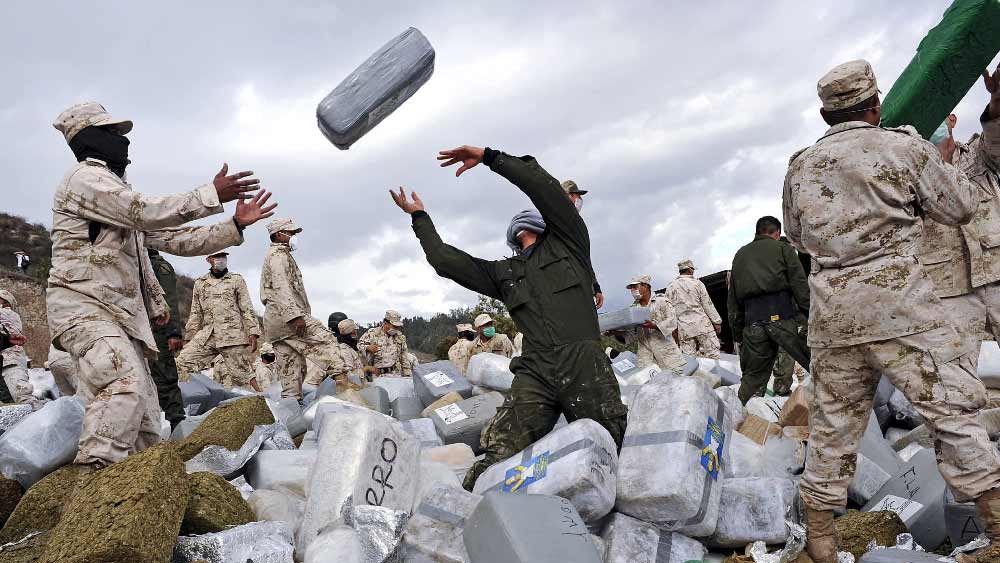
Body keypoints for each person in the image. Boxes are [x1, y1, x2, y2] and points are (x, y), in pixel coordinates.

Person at [783, 60, 1000, 563]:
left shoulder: (801, 166)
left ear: (824, 114)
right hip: (901, 307)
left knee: (833, 424)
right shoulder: (902, 146)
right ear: (876, 104)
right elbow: (960, 207)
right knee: (950, 410)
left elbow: (797, 237)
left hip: (833, 314)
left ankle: (821, 543)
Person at [48, 101, 274, 469]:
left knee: (148, 426)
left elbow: (178, 240)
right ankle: (87, 485)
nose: (123, 142)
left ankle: (136, 499)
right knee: (123, 385)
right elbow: (144, 210)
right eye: (113, 133)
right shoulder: (85, 180)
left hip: (122, 320)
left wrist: (236, 227)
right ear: (90, 138)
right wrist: (209, 195)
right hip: (84, 308)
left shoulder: (115, 193)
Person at [390, 144, 627, 490]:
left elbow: (541, 187)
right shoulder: (506, 273)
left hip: (584, 365)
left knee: (610, 448)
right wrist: (419, 218)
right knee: (498, 454)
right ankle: (469, 515)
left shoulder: (569, 243)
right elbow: (446, 261)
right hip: (536, 372)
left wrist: (489, 157)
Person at [917, 64, 1000, 369]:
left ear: (952, 120)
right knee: (957, 376)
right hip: (948, 287)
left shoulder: (979, 153)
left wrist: (996, 102)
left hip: (996, 271)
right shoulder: (911, 172)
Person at [727, 216, 811, 404]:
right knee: (815, 362)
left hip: (753, 324)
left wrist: (737, 333)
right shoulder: (783, 249)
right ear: (777, 233)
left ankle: (737, 416)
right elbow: (800, 286)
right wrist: (811, 315)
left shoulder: (740, 255)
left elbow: (732, 301)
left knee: (753, 377)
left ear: (757, 232)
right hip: (782, 319)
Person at [261, 218, 340, 401]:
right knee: (327, 341)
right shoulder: (279, 256)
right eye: (291, 233)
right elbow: (281, 287)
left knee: (291, 368)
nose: (294, 237)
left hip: (275, 324)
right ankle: (345, 383)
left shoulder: (277, 255)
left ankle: (291, 409)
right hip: (287, 319)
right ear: (279, 235)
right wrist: (295, 316)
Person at [176, 251, 262, 391]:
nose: (221, 259)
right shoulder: (201, 283)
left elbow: (246, 307)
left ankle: (263, 401)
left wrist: (253, 332)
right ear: (208, 259)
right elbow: (196, 313)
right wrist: (188, 338)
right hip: (208, 335)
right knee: (182, 362)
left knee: (244, 376)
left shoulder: (236, 280)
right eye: (217, 257)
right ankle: (191, 397)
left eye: (223, 256)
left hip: (231, 336)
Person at [146, 249, 186, 429]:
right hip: (143, 332)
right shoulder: (137, 264)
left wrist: (173, 332)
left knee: (165, 380)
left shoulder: (158, 266)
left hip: (159, 332)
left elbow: (168, 300)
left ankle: (177, 425)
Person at [621, 275, 685, 372]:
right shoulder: (633, 310)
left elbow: (672, 322)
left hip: (667, 356)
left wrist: (654, 326)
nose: (632, 290)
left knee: (678, 383)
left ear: (645, 286)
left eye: (635, 287)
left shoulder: (661, 301)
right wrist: (615, 333)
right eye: (631, 288)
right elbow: (631, 336)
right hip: (646, 359)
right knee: (652, 385)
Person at [561, 180, 604, 310]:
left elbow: (585, 257)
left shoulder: (578, 224)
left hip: (582, 286)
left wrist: (596, 287)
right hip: (565, 287)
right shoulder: (553, 221)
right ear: (566, 196)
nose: (578, 199)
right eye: (575, 195)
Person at [666, 259, 723, 359]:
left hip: (684, 329)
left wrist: (674, 330)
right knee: (713, 356)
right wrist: (717, 322)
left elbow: (669, 311)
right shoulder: (697, 284)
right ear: (689, 270)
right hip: (702, 326)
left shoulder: (670, 287)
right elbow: (707, 304)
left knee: (689, 360)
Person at [0, 289, 39, 408]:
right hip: (6, 359)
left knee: (23, 397)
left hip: (10, 359)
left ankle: (41, 419)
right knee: (11, 401)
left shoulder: (7, 313)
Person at [358, 310, 413, 376]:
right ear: (385, 323)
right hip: (376, 376)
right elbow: (359, 345)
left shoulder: (400, 338)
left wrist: (408, 375)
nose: (397, 328)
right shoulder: (372, 333)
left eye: (398, 326)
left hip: (394, 375)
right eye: (394, 326)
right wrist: (367, 347)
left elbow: (404, 357)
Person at [330, 318, 376, 387]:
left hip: (359, 386)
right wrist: (366, 368)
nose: (356, 332)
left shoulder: (351, 347)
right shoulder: (344, 350)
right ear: (352, 332)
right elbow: (348, 375)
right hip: (352, 390)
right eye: (355, 330)